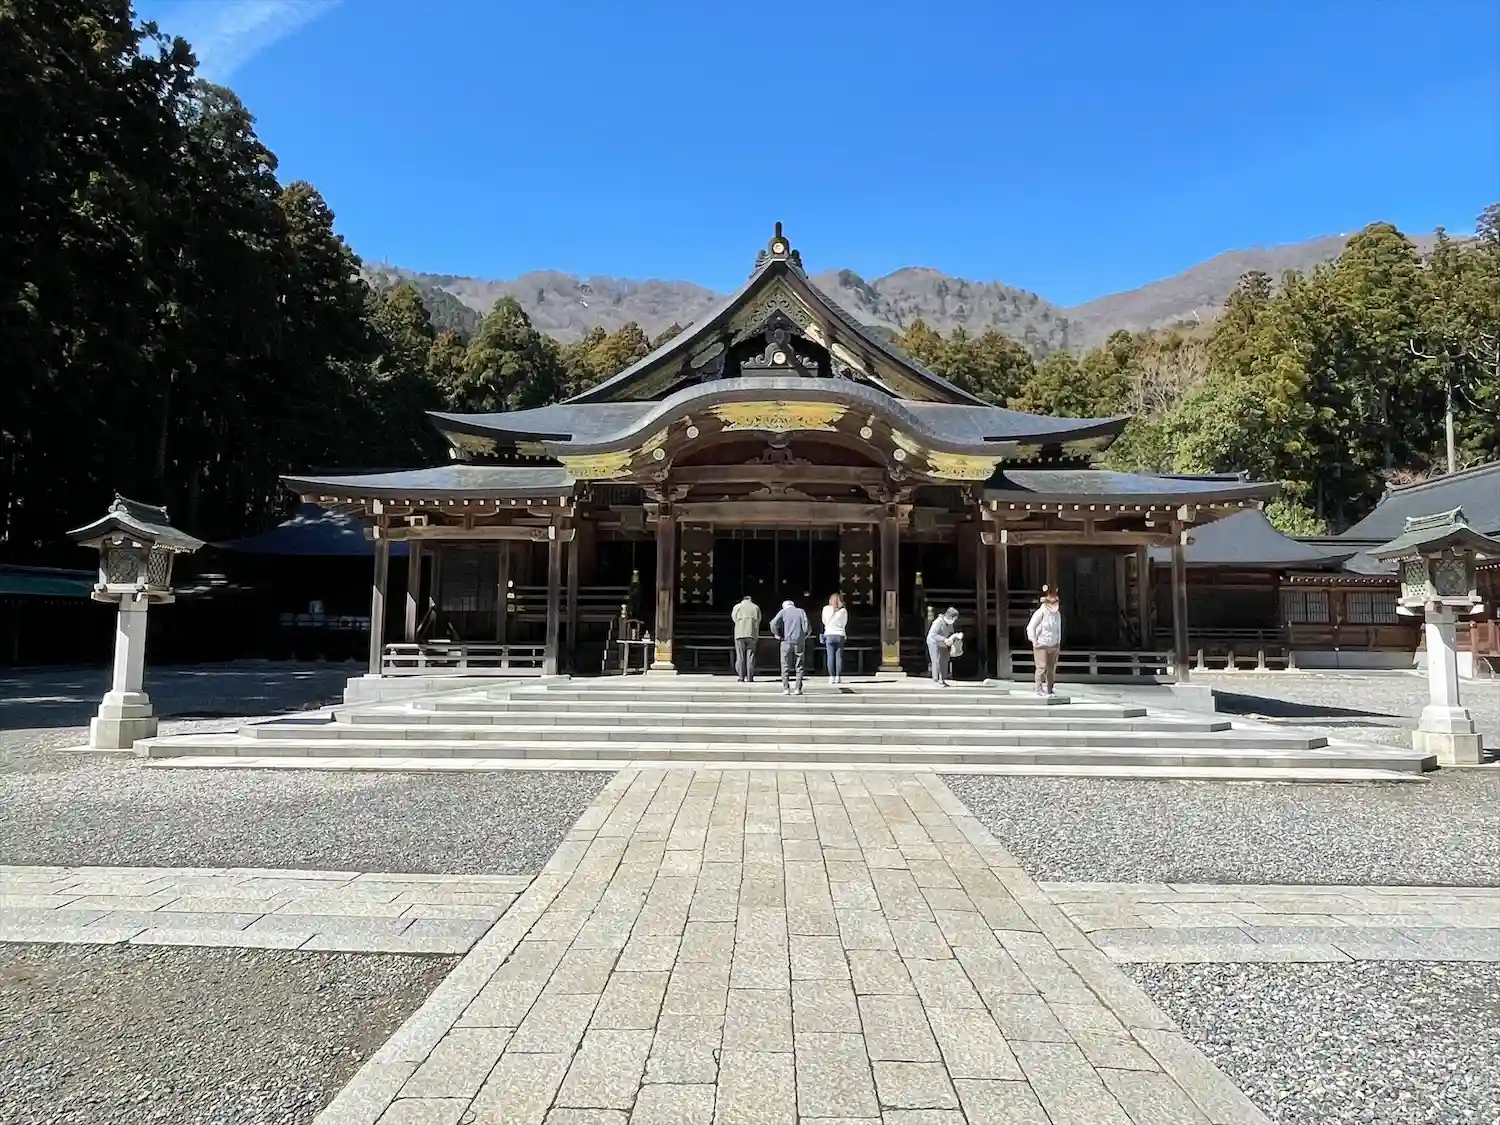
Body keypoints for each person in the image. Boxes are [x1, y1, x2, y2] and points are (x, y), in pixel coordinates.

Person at [1026, 586, 1063, 696]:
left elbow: (1058, 628)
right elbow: (1031, 627)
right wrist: (1034, 640)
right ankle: (1038, 689)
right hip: (1041, 644)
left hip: (1054, 644)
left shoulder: (1057, 614)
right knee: (1041, 667)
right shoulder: (1040, 612)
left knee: (1051, 669)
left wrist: (1058, 642)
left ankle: (1050, 689)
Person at [769, 598, 810, 696]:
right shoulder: (801, 611)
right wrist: (804, 636)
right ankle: (798, 689)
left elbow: (773, 623)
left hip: (786, 641)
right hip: (798, 641)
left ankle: (786, 688)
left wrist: (777, 634)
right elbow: (807, 626)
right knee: (799, 665)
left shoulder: (783, 612)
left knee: (785, 665)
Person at [926, 606, 960, 687]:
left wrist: (955, 637)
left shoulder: (950, 624)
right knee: (936, 660)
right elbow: (933, 635)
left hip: (944, 643)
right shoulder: (938, 622)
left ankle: (942, 679)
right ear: (948, 616)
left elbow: (951, 633)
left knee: (944, 660)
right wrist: (944, 639)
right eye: (953, 619)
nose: (953, 621)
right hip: (934, 642)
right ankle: (936, 679)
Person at [730, 594, 761, 682]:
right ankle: (750, 677)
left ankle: (741, 676)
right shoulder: (756, 607)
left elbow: (734, 618)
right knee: (750, 656)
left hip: (739, 633)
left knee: (740, 656)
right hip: (752, 633)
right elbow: (759, 619)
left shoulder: (737, 607)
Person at [820, 592, 848, 685]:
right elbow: (844, 623)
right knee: (839, 657)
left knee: (830, 656)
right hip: (840, 634)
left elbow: (824, 621)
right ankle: (838, 677)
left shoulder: (825, 609)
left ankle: (831, 677)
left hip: (829, 634)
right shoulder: (843, 611)